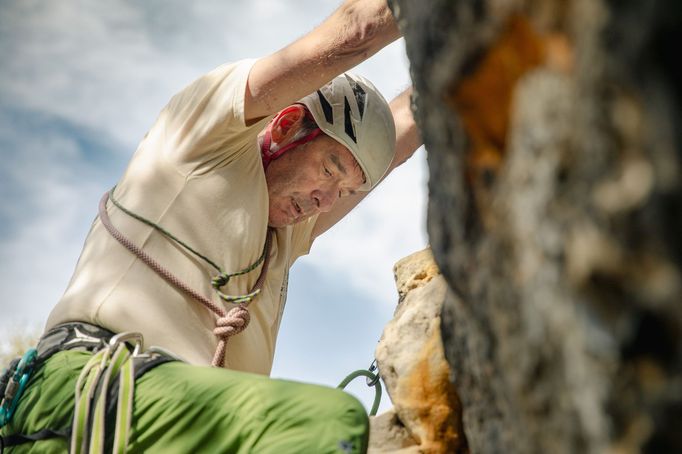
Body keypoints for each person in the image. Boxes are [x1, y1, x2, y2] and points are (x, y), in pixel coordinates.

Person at [0, 0, 421, 452]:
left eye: (345, 190)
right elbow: (356, 31)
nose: (328, 200)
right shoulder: (204, 140)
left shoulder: (289, 229)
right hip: (87, 396)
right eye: (330, 169)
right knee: (329, 422)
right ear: (286, 126)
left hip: (156, 423)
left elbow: (404, 130)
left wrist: (473, 65)